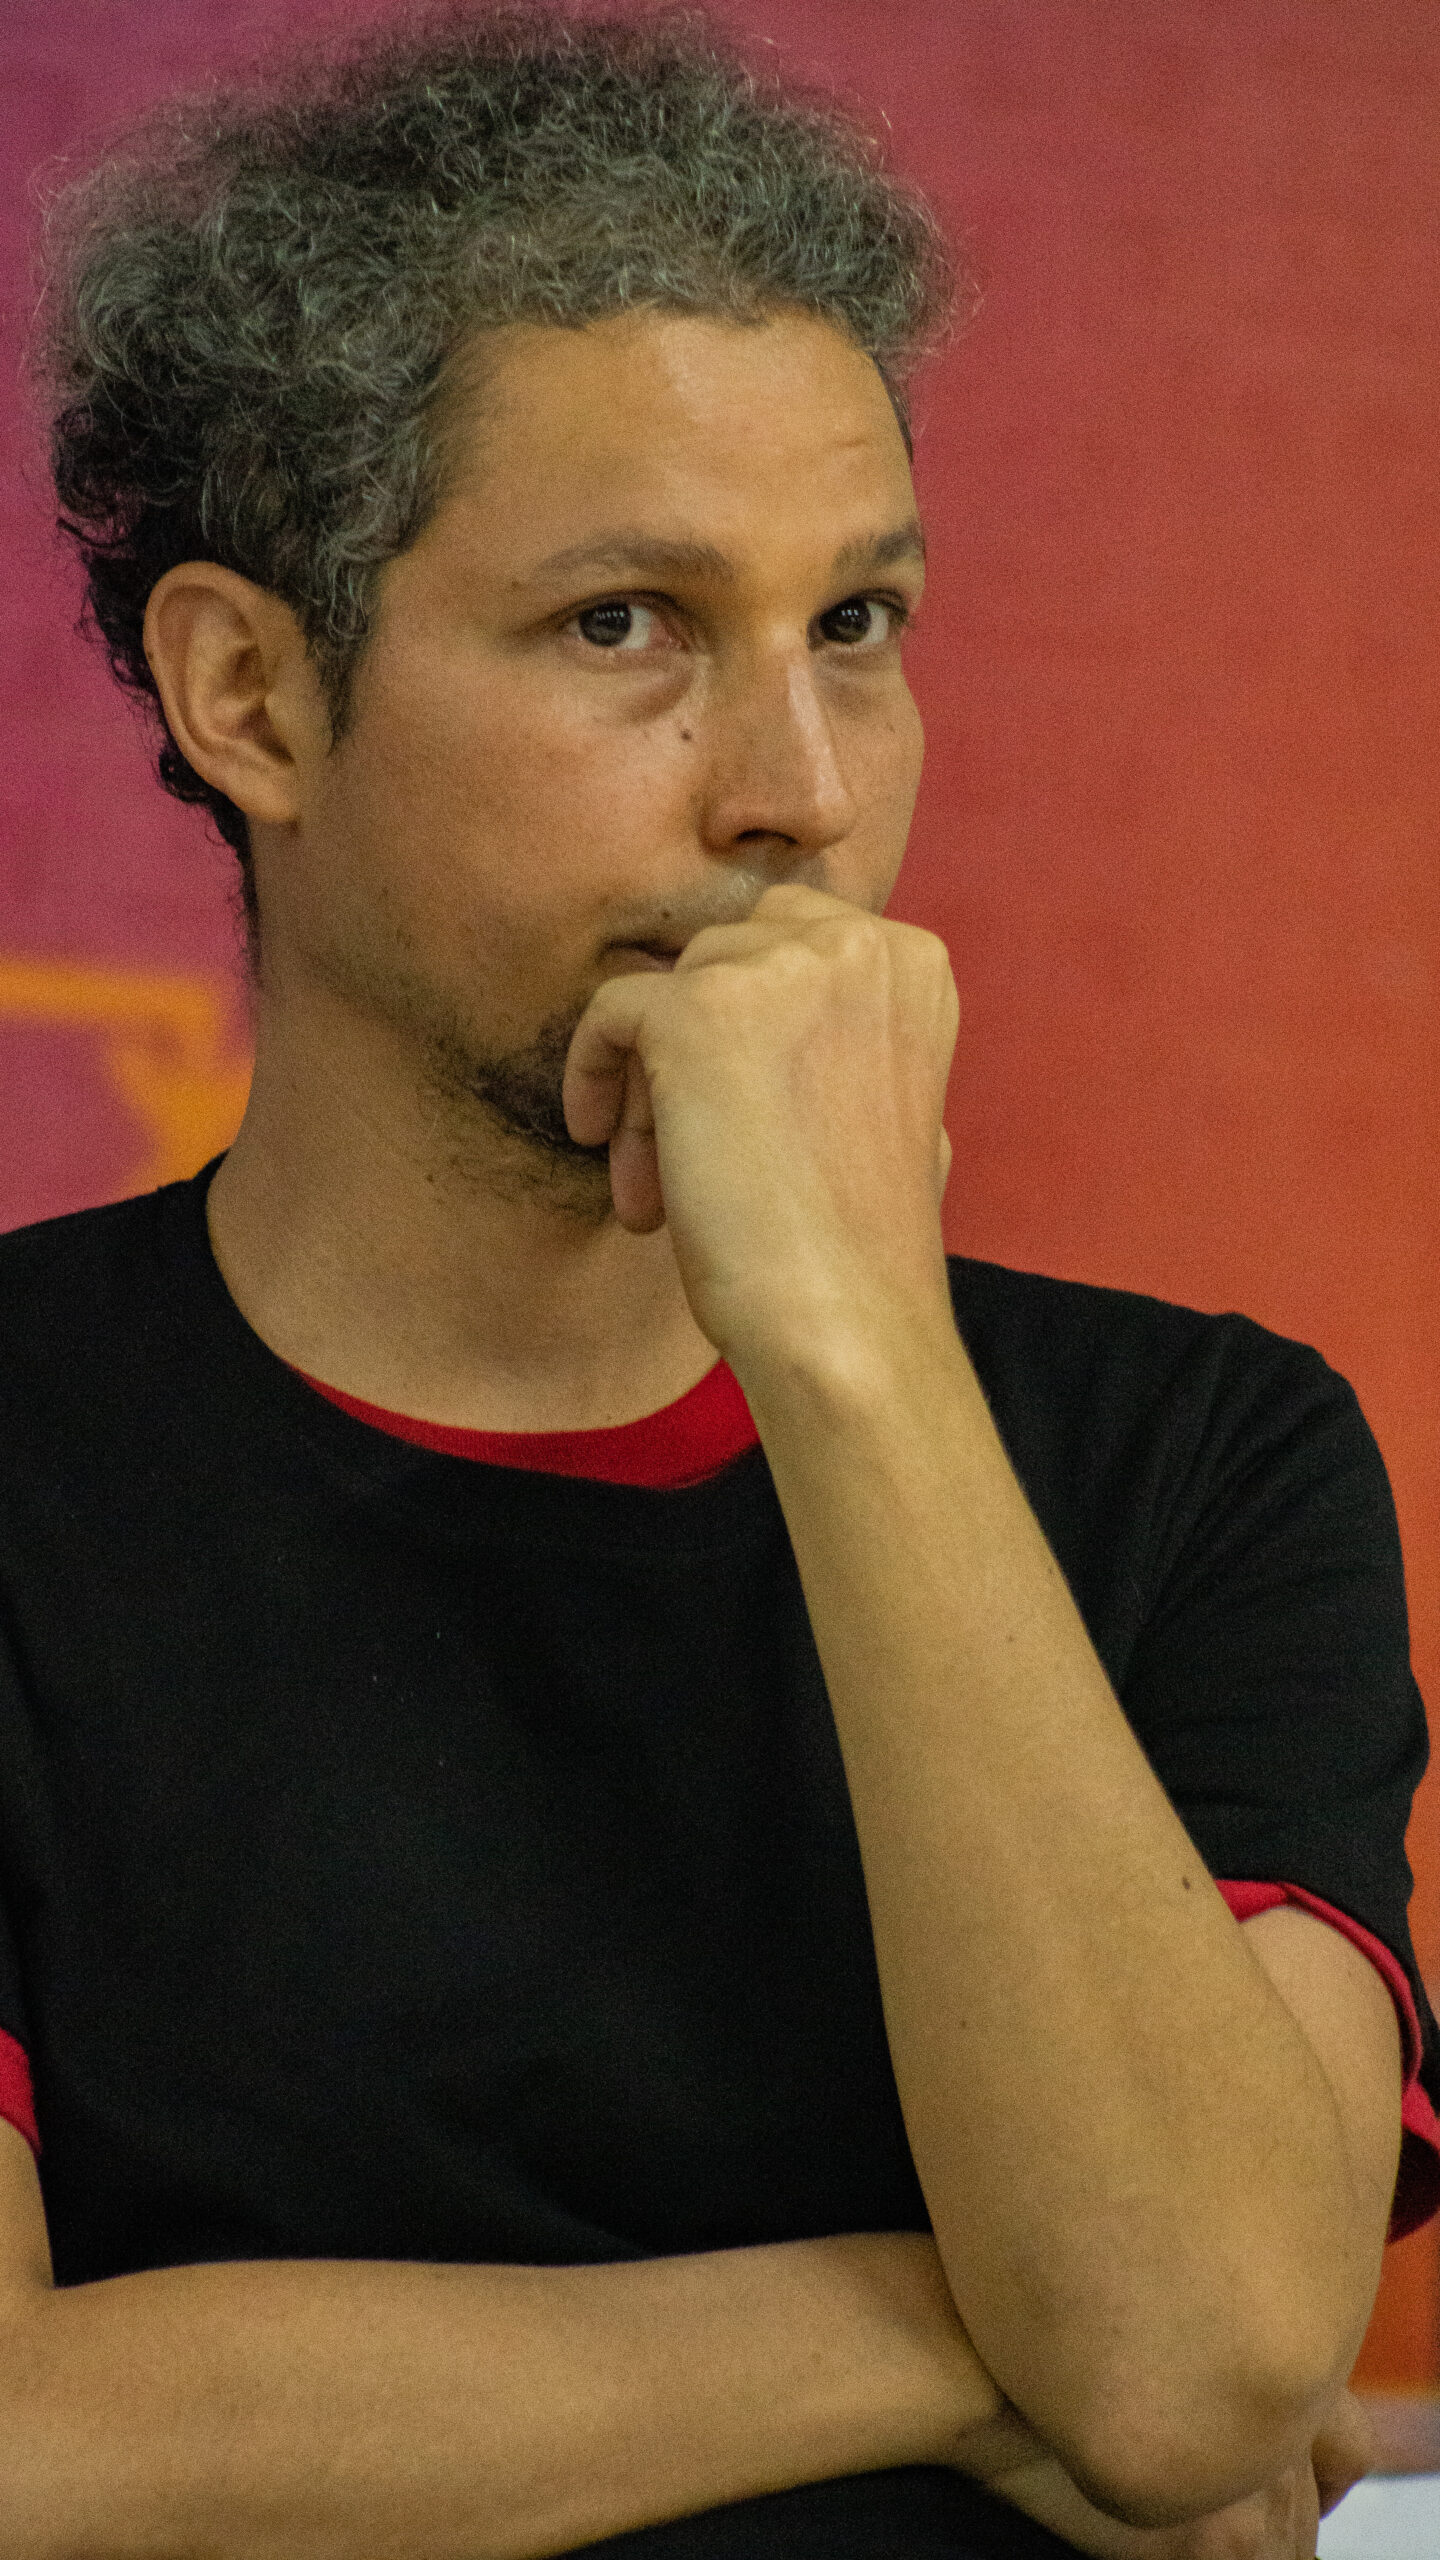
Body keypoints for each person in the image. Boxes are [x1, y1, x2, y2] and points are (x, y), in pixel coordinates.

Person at [3, 7, 1436, 2555]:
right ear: (253, 695)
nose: (802, 789)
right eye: (622, 625)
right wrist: (946, 2336)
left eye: (858, 616)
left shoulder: (1203, 1454)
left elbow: (1193, 2355)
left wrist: (855, 1354)